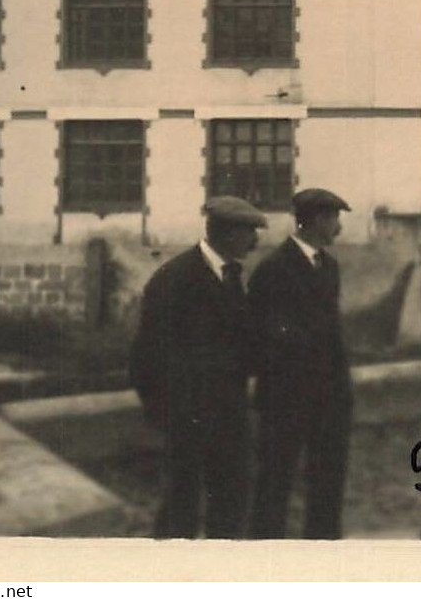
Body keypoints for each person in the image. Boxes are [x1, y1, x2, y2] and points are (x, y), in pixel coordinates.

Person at [130, 196, 264, 539]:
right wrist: (164, 413)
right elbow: (146, 356)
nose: (256, 241)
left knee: (231, 504)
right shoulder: (175, 279)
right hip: (187, 417)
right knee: (180, 510)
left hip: (229, 416)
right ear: (228, 233)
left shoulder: (231, 276)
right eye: (250, 232)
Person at [250, 188, 355, 539]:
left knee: (327, 482)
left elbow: (332, 334)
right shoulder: (273, 270)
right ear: (317, 221)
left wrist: (342, 390)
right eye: (335, 218)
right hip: (286, 398)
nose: (338, 226)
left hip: (327, 399)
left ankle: (323, 554)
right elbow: (268, 338)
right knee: (275, 481)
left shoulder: (329, 267)